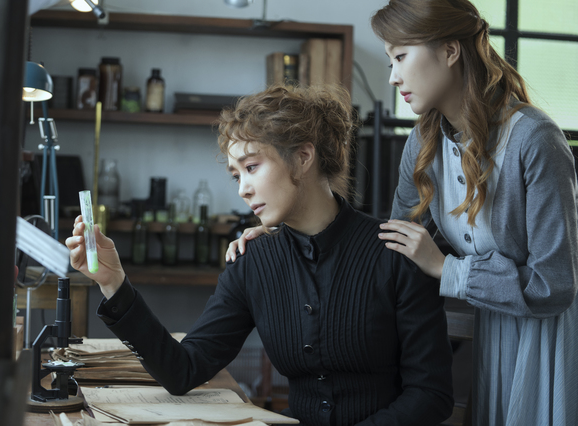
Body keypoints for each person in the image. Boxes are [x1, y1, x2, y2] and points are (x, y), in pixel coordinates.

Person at [229, 1, 578, 425]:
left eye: (400, 57)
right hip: (486, 337)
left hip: (544, 344)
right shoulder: (424, 142)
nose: (393, 76)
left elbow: (554, 285)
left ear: (450, 51)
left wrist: (447, 269)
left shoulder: (535, 140)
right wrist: (287, 235)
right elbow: (390, 248)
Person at [66, 84, 454, 425]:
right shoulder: (253, 262)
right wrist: (114, 282)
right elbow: (182, 371)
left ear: (303, 157)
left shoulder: (396, 253)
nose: (243, 190)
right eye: (237, 175)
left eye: (252, 167)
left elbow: (431, 396)